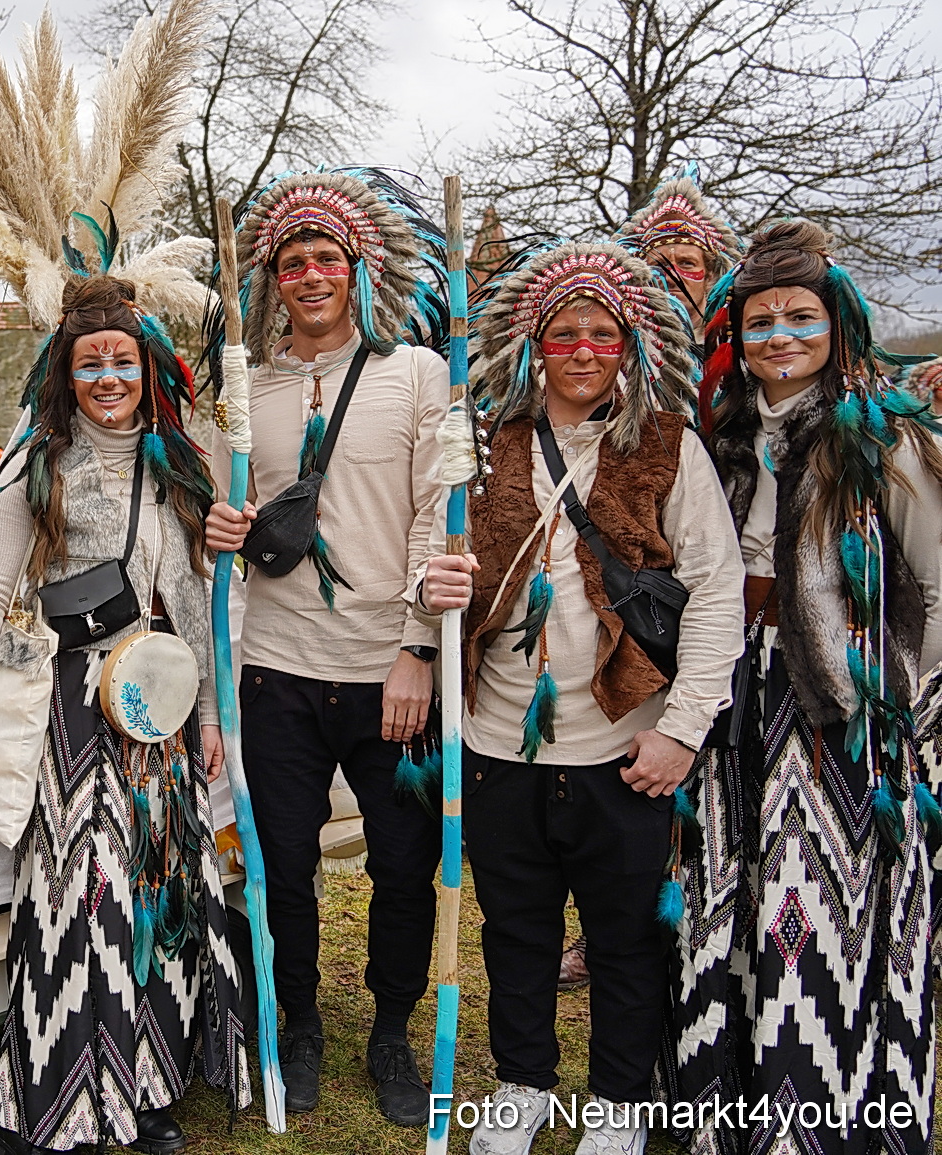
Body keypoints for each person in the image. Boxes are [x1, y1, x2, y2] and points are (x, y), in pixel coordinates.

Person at [418, 240, 744, 1155]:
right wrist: (431, 588)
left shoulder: (668, 448)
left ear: (630, 344)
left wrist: (680, 731)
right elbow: (436, 558)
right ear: (534, 343)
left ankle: (616, 1103)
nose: (584, 348)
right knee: (515, 932)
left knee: (624, 940)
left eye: (603, 332)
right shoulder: (484, 444)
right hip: (497, 740)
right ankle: (522, 1086)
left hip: (624, 747)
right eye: (565, 332)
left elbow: (717, 592)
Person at [0, 271, 247, 1153]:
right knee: (79, 900)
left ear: (148, 368)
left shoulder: (180, 463)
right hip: (72, 721)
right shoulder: (32, 467)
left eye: (123, 361)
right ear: (64, 375)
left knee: (155, 896)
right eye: (90, 364)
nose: (108, 378)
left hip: (162, 712)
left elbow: (194, 599)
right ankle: (48, 1102)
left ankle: (144, 1087)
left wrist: (212, 723)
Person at [661, 221, 942, 1155]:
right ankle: (717, 1113)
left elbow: (936, 587)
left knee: (813, 911)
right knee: (720, 894)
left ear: (838, 324)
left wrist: (900, 696)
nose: (779, 336)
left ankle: (817, 1120)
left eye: (800, 317)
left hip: (837, 707)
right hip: (727, 682)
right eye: (760, 321)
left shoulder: (885, 431)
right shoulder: (720, 430)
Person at [202, 168, 452, 1124]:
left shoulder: (416, 375)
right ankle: (298, 1020)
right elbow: (216, 521)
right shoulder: (243, 392)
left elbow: (438, 516)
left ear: (358, 269)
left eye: (326, 259)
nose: (311, 275)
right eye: (293, 261)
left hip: (388, 671)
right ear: (274, 280)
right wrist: (217, 527)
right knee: (282, 856)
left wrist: (417, 649)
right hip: (276, 667)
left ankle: (390, 1028)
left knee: (401, 860)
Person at [614, 168, 743, 335]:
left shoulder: (734, 340)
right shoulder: (626, 345)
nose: (671, 276)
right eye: (659, 266)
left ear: (709, 275)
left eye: (686, 263)